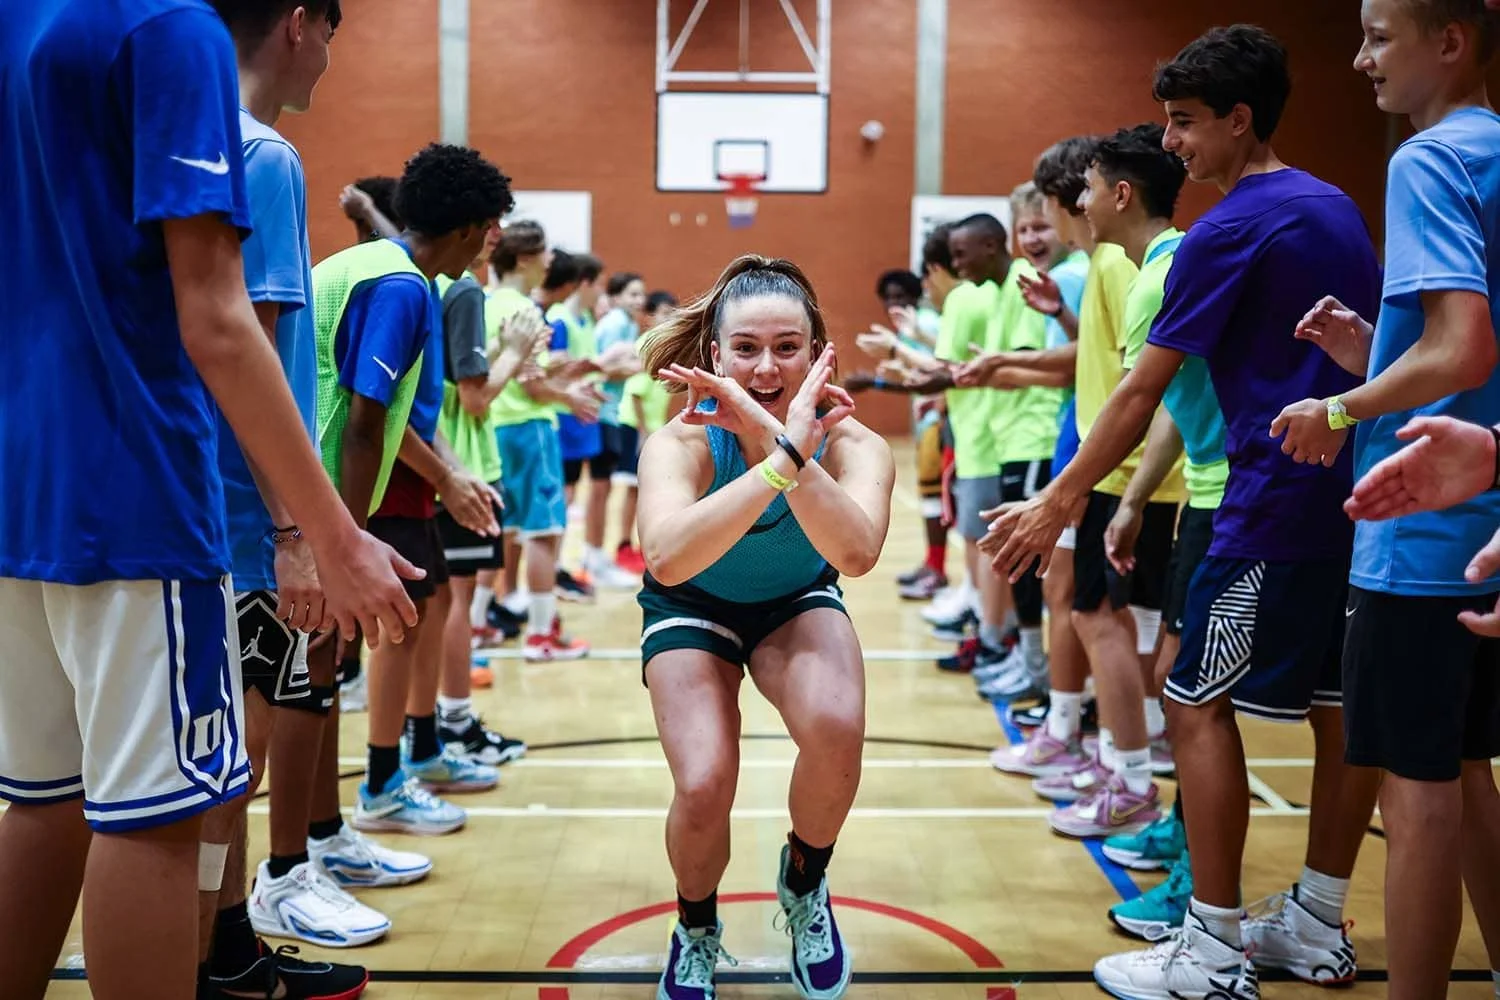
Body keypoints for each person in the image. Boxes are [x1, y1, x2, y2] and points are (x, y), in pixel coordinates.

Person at [0, 2, 420, 997]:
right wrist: (325, 530)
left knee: (45, 802)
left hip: (22, 479)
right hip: (133, 487)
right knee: (155, 817)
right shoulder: (169, 27)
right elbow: (220, 320)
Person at [982, 25, 1384, 998]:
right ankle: (1317, 922)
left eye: (1187, 124)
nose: (1174, 145)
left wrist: (1059, 498)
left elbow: (1138, 392)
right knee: (1338, 709)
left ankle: (1210, 949)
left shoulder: (1227, 229)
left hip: (1269, 506)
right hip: (1360, 503)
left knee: (1193, 703)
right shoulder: (1332, 204)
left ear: (1241, 120)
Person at [197, 4, 420, 997]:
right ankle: (205, 947)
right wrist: (297, 530)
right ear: (298, 24)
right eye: (334, 33)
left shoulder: (161, 139)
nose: (332, 57)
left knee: (190, 763)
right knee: (224, 762)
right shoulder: (267, 156)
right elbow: (254, 350)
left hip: (164, 499)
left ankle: (224, 938)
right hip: (247, 517)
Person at [1277, 3, 1500, 996]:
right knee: (1469, 781)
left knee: (1417, 805)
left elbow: (1463, 350)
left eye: (1378, 35)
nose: (1360, 57)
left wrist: (1340, 401)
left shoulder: (1430, 159)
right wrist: (1371, 351)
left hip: (1421, 536)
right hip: (1488, 524)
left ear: (1449, 41)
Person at [635, 256, 894, 1000]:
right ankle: (695, 927)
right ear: (715, 357)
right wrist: (780, 460)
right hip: (691, 610)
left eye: (788, 346)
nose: (767, 365)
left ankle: (805, 883)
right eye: (746, 348)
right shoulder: (680, 444)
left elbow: (856, 553)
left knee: (838, 725)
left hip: (794, 599)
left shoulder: (855, 447)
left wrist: (796, 452)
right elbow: (667, 560)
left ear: (819, 355)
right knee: (707, 779)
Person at [305, 142, 511, 837]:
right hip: (326, 496)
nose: (490, 244)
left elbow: (393, 417)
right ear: (465, 229)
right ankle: (321, 837)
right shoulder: (399, 285)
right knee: (314, 675)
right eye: (487, 229)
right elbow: (364, 426)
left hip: (317, 496)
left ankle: (319, 837)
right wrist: (345, 543)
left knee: (320, 674)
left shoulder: (387, 269)